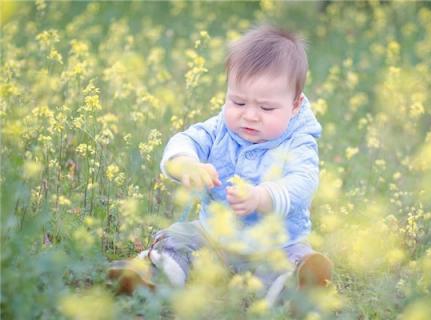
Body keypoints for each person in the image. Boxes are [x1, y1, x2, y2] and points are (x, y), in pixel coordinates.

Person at [108, 25, 332, 305]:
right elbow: (186, 140)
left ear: (295, 105)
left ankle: (297, 284)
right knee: (179, 239)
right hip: (213, 236)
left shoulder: (299, 142)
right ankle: (154, 276)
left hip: (276, 245)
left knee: (288, 262)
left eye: (266, 108)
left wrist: (263, 196)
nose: (250, 116)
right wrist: (186, 164)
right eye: (238, 102)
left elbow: (304, 182)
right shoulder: (220, 128)